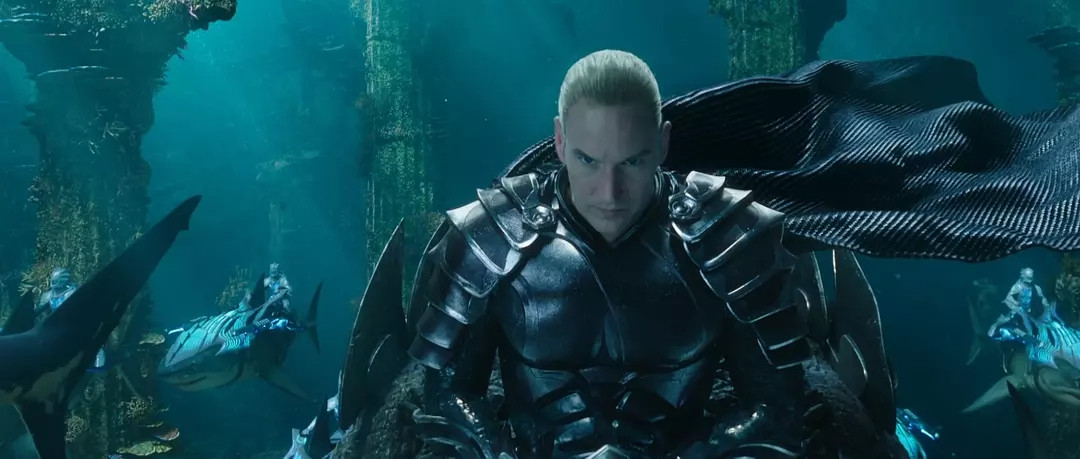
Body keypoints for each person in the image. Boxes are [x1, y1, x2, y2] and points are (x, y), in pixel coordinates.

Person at [405, 50, 896, 458]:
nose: (609, 192)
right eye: (588, 160)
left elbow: (777, 409)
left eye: (633, 161)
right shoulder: (490, 236)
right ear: (558, 140)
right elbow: (446, 398)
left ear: (662, 144)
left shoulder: (729, 237)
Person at [35, 267, 106, 370]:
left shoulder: (73, 293)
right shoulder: (49, 295)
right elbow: (37, 310)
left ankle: (98, 362)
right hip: (59, 327)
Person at [988, 268, 1051, 342]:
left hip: (1028, 311)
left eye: (1031, 277)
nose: (1030, 280)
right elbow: (1009, 297)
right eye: (1028, 277)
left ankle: (1029, 336)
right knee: (1012, 320)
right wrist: (1015, 303)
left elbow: (1042, 298)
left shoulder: (1036, 288)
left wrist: (1046, 307)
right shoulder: (1017, 287)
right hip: (1017, 310)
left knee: (1030, 321)